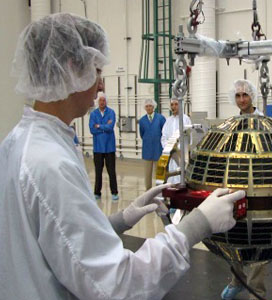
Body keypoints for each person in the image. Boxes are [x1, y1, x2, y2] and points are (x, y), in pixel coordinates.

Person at [0, 13, 246, 300]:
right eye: (97, 71)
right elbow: (118, 286)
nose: (101, 85)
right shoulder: (49, 163)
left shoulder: (20, 142)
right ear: (71, 68)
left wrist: (118, 221)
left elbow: (55, 237)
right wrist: (195, 226)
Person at [221, 79, 267, 300]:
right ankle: (237, 280)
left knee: (258, 236)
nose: (241, 100)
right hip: (236, 186)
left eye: (245, 95)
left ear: (252, 97)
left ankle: (256, 289)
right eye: (238, 95)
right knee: (235, 234)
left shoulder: (264, 123)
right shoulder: (232, 124)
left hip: (258, 187)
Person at [89, 91, 119, 200]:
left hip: (109, 147)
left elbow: (110, 127)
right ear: (97, 102)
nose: (102, 102)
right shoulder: (93, 114)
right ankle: (97, 192)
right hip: (98, 148)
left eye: (104, 100)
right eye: (100, 100)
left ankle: (114, 192)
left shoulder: (111, 112)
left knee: (111, 171)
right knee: (98, 171)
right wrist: (104, 126)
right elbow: (92, 129)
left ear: (106, 101)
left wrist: (98, 126)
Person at [161, 97, 192, 184]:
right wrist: (169, 148)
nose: (173, 107)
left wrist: (180, 148)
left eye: (176, 104)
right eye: (172, 105)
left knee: (182, 174)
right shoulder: (168, 121)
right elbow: (164, 137)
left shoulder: (185, 119)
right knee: (172, 174)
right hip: (172, 153)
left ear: (180, 105)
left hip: (182, 154)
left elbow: (189, 137)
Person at [139, 99, 166, 190]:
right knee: (147, 174)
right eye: (146, 106)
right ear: (145, 108)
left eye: (150, 106)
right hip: (147, 151)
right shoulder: (142, 120)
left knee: (159, 173)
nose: (148, 108)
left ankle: (159, 190)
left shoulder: (160, 118)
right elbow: (142, 134)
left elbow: (164, 132)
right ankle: (148, 191)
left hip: (158, 149)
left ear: (153, 107)